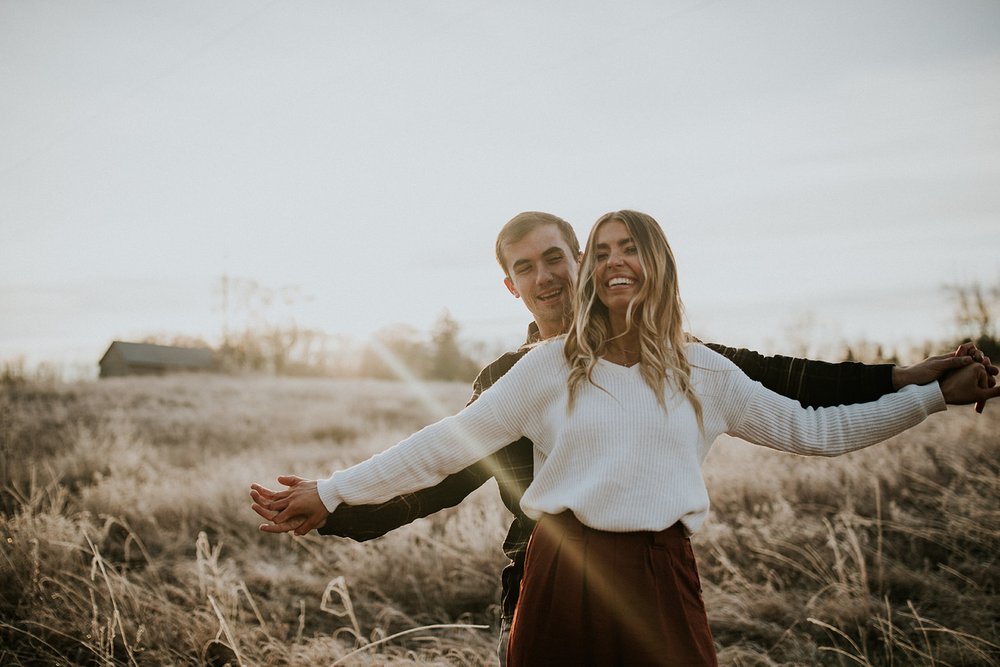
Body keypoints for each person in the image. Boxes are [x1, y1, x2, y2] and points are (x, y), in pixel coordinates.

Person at [252, 211, 996, 664]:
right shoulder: (530, 371)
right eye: (525, 267)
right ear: (511, 285)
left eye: (562, 257)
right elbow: (442, 460)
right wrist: (333, 499)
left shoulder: (698, 365)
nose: (550, 275)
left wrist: (916, 385)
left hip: (659, 572)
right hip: (550, 571)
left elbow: (804, 400)